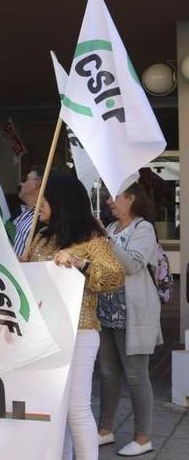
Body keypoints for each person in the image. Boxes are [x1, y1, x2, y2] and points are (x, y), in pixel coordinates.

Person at [26, 170, 124, 460]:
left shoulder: (93, 239)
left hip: (79, 332)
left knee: (76, 408)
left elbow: (114, 277)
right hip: (44, 333)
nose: (38, 203)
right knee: (55, 408)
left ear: (61, 200)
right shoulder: (41, 238)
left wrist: (80, 263)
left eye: (44, 198)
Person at [97, 182, 162, 456]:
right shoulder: (111, 228)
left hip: (133, 313)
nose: (110, 201)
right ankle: (105, 429)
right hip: (107, 311)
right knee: (108, 374)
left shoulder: (143, 228)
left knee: (136, 376)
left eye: (115, 196)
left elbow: (133, 264)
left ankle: (143, 436)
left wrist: (105, 241)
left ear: (132, 198)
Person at [10, 166, 42, 259]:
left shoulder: (44, 218)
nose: (20, 183)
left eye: (25, 179)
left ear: (37, 183)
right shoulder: (19, 211)